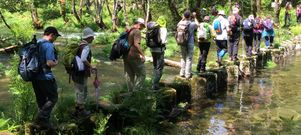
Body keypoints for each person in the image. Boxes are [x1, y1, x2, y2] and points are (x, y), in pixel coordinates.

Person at [32, 26, 60, 129]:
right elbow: (50, 63)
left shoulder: (37, 43)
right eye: (56, 36)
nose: (55, 39)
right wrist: (56, 62)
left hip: (34, 76)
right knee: (53, 97)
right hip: (45, 77)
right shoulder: (48, 46)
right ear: (51, 35)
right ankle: (41, 118)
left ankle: (42, 124)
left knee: (41, 100)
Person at [72, 27, 96, 117]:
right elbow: (83, 59)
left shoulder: (80, 44)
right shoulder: (86, 46)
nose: (93, 38)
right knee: (82, 90)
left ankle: (77, 109)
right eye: (92, 37)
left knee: (78, 90)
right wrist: (91, 66)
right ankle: (81, 110)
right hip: (80, 72)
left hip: (74, 71)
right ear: (89, 37)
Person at [123, 18, 146, 91]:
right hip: (133, 55)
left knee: (129, 75)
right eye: (143, 26)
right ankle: (136, 92)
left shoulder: (128, 30)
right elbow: (136, 44)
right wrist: (143, 55)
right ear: (139, 24)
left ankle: (130, 92)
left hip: (125, 55)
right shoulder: (137, 31)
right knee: (142, 74)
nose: (143, 28)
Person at [148, 16, 167, 90]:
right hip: (160, 50)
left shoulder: (153, 28)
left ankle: (153, 82)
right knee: (160, 68)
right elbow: (163, 40)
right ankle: (155, 85)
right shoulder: (163, 29)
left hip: (152, 50)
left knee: (155, 67)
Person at [177, 10, 197, 79]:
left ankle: (182, 73)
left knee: (183, 57)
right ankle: (187, 74)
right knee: (189, 58)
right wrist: (195, 17)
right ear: (190, 16)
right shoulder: (192, 24)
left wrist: (183, 18)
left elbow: (178, 25)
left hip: (182, 42)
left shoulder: (180, 23)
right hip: (190, 43)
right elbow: (198, 25)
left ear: (184, 16)